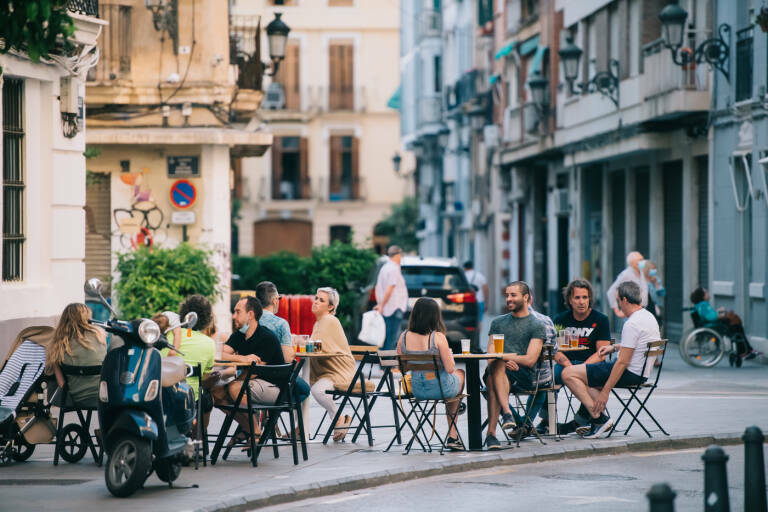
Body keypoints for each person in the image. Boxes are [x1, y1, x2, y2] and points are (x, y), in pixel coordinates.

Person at [562, 281, 660, 438]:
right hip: (642, 373)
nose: (618, 305)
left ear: (625, 300)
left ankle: (599, 419)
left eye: (618, 301)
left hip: (628, 372)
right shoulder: (648, 317)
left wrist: (606, 391)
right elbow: (638, 345)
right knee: (586, 380)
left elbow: (622, 362)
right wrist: (614, 347)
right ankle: (590, 421)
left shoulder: (632, 324)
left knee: (568, 373)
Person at [538, 279, 612, 435]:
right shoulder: (560, 319)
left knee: (591, 381)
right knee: (547, 376)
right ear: (570, 300)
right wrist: (568, 365)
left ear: (589, 299)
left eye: (585, 297)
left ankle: (581, 421)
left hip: (589, 364)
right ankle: (546, 420)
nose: (581, 302)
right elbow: (553, 349)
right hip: (565, 364)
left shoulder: (601, 320)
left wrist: (581, 368)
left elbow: (602, 353)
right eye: (577, 298)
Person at [397, 297, 466, 450]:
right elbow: (449, 369)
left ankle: (456, 409)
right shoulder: (438, 338)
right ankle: (453, 435)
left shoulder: (403, 337)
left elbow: (402, 368)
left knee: (452, 386)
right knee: (460, 373)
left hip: (418, 390)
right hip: (442, 389)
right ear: (435, 316)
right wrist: (448, 355)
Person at [214, 297, 286, 442]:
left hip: (276, 388)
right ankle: (250, 428)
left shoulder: (266, 337)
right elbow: (218, 354)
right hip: (252, 384)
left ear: (250, 314)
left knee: (234, 388)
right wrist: (241, 358)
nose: (234, 316)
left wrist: (230, 383)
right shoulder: (239, 335)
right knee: (216, 393)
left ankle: (254, 432)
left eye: (237, 312)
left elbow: (254, 373)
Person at [483, 281, 546, 450]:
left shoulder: (537, 325)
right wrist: (502, 361)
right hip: (499, 371)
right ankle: (507, 415)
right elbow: (490, 356)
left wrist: (510, 359)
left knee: (491, 379)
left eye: (513, 295)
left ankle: (492, 434)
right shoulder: (498, 323)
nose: (509, 299)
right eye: (507, 295)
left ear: (526, 297)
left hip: (522, 374)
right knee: (495, 368)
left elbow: (531, 359)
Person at [308, 287, 356, 441]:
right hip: (328, 370)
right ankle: (299, 427)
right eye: (316, 298)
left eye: (321, 300)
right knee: (299, 388)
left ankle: (339, 418)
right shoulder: (320, 322)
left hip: (339, 371)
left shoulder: (329, 320)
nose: (316, 302)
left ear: (330, 307)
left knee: (317, 390)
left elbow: (321, 347)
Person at [254, 281, 311, 404]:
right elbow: (288, 358)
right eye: (279, 298)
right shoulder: (281, 324)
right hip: (273, 377)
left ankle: (269, 416)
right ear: (274, 300)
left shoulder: (249, 321)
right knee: (305, 390)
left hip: (249, 375)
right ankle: (273, 417)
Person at [511, 290, 556, 440]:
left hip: (524, 378)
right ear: (531, 298)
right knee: (541, 385)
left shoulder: (513, 322)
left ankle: (519, 423)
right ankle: (526, 426)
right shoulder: (547, 320)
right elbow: (554, 350)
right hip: (545, 379)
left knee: (490, 388)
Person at [47, 303, 107, 407]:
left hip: (76, 399)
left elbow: (62, 385)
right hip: (103, 397)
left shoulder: (58, 344)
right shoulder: (99, 335)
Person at [157, 295, 216, 401]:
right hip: (191, 400)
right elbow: (205, 377)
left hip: (162, 396)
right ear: (207, 318)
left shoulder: (166, 335)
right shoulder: (210, 343)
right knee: (208, 399)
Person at [690, 287, 757, 359]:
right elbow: (710, 317)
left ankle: (745, 350)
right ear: (702, 296)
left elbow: (708, 314)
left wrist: (719, 311)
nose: (708, 293)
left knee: (736, 326)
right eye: (706, 292)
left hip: (709, 325)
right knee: (737, 328)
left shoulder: (698, 305)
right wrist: (722, 314)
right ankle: (745, 350)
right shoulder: (704, 305)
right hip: (713, 326)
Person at [374, 245, 408, 351]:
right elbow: (389, 289)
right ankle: (388, 366)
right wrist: (382, 305)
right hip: (393, 308)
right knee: (392, 339)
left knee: (386, 337)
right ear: (398, 255)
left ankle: (383, 366)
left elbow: (377, 287)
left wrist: (380, 304)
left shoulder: (384, 268)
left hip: (387, 309)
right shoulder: (394, 269)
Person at [606, 251, 648, 318]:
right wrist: (617, 311)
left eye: (642, 259)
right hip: (631, 312)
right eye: (640, 260)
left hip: (642, 310)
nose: (643, 261)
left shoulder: (642, 273)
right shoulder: (626, 274)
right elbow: (611, 292)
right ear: (633, 262)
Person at [463, 261, 489, 327]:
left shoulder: (463, 276)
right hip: (480, 301)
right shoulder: (480, 276)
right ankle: (478, 335)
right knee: (479, 321)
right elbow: (485, 290)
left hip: (467, 301)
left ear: (465, 268)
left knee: (467, 320)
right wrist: (486, 303)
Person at [643, 260, 665, 328]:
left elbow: (662, 293)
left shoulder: (657, 280)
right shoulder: (642, 280)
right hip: (645, 307)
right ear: (647, 269)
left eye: (654, 268)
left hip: (656, 306)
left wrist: (656, 283)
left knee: (657, 324)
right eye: (652, 269)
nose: (654, 270)